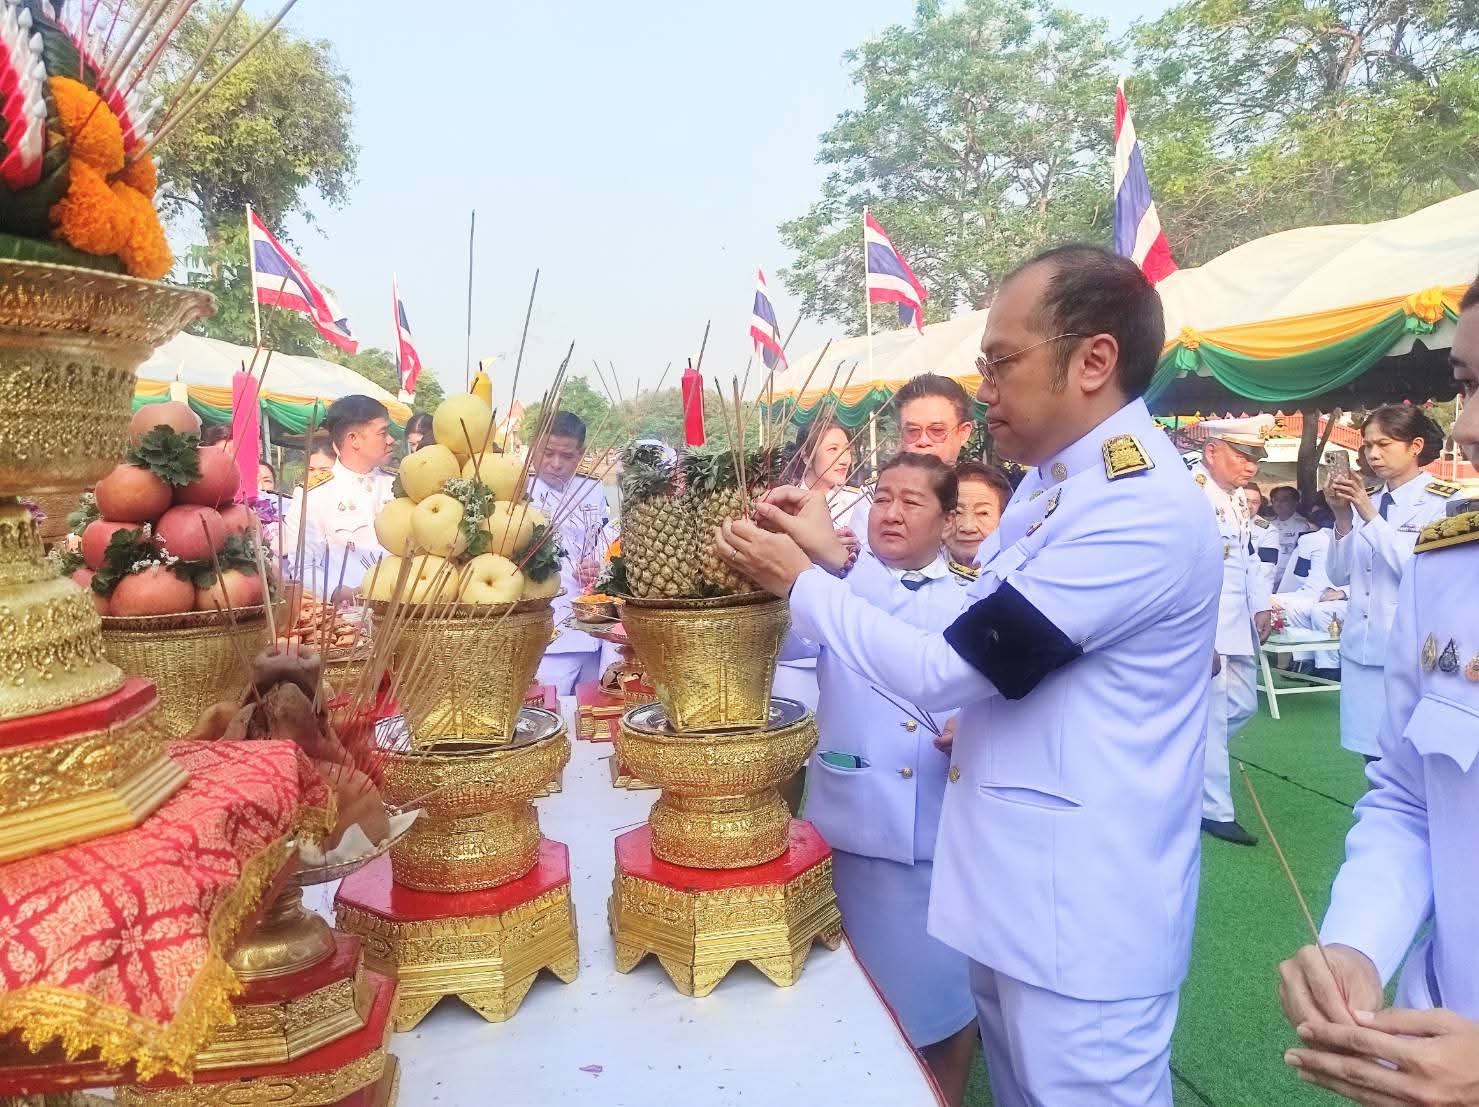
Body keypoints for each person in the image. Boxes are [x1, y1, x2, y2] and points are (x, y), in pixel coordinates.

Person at [715, 244, 1222, 1106]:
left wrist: (796, 581)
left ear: (1093, 359)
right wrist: (836, 557)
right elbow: (957, 627)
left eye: (1001, 361)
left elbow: (943, 668)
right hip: (1017, 896)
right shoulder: (1051, 492)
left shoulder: (1134, 512)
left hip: (1085, 916)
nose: (982, 387)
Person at [1277, 276, 1479, 1105]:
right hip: (1431, 1034)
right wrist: (1359, 941)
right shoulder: (1453, 563)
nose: (1465, 425)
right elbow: (1410, 795)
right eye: (1467, 384)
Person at [783, 452, 977, 1104]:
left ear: (948, 520)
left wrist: (834, 569)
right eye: (882, 497)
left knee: (939, 1012)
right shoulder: (830, 585)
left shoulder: (968, 597)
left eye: (911, 501)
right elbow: (784, 644)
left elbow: (911, 640)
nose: (890, 512)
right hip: (844, 829)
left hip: (929, 840)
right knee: (849, 1014)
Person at [1325, 404, 1456, 760]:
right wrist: (1342, 517)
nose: (1373, 454)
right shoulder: (1370, 500)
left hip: (1408, 652)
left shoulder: (1443, 502)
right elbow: (1338, 575)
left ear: (1415, 446)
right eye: (1368, 446)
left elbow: (1421, 570)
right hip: (1361, 648)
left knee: (1411, 759)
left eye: (1384, 444)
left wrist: (1368, 515)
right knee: (1371, 758)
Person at [1191, 426, 1274, 846]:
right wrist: (1200, 636)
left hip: (1236, 622)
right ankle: (1214, 810)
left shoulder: (1237, 497)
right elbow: (1186, 570)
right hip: (1207, 626)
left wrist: (1260, 604)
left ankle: (1185, 765)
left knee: (1240, 707)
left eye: (1254, 458)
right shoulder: (1193, 492)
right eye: (1242, 456)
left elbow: (1248, 556)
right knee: (1213, 714)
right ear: (1211, 452)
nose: (1251, 466)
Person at [775, 420, 867, 713]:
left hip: (845, 648)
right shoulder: (781, 503)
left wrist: (857, 553)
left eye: (847, 449)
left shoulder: (861, 503)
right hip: (795, 649)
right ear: (805, 455)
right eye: (833, 449)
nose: (844, 459)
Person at [528, 411, 611, 694]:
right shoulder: (518, 489)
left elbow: (606, 541)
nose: (556, 464)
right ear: (533, 447)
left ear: (581, 453)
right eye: (547, 453)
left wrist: (599, 564)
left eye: (567, 456)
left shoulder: (593, 487)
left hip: (594, 624)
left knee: (595, 707)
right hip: (547, 630)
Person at [283, 395, 396, 604]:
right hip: (346, 618)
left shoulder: (398, 487)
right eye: (383, 433)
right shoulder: (315, 495)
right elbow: (303, 567)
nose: (391, 440)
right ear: (354, 439)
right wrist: (336, 591)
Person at [846, 373, 975, 548]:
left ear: (964, 433)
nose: (923, 441)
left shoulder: (983, 493)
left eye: (936, 431)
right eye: (912, 431)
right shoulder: (874, 497)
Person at [943, 461, 1011, 572]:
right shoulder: (914, 568)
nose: (968, 527)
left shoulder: (1020, 574)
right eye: (957, 512)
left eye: (982, 513)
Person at [1256, 485, 1313, 588]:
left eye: (1284, 500)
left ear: (1295, 502)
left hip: (1288, 581)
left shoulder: (1303, 526)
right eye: (1275, 500)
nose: (1278, 503)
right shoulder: (1268, 524)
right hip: (1267, 579)